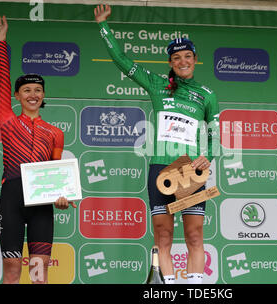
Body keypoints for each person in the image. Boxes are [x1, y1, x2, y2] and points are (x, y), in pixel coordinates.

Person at [94, 5, 220, 284]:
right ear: (171, 62)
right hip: (160, 167)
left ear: (195, 59)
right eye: (177, 57)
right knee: (163, 235)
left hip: (189, 169)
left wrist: (207, 157)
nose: (183, 61)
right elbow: (122, 60)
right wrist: (103, 26)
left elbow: (215, 132)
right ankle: (169, 287)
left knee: (194, 235)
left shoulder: (207, 94)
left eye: (188, 56)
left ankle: (195, 287)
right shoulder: (156, 84)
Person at [0, 15, 76, 284]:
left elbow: (55, 174)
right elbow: (4, 79)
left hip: (41, 205)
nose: (32, 94)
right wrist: (1, 42)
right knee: (12, 272)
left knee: (39, 276)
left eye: (37, 90)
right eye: (26, 90)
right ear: (17, 96)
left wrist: (62, 196)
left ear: (43, 95)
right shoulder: (8, 119)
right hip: (12, 198)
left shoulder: (55, 132)